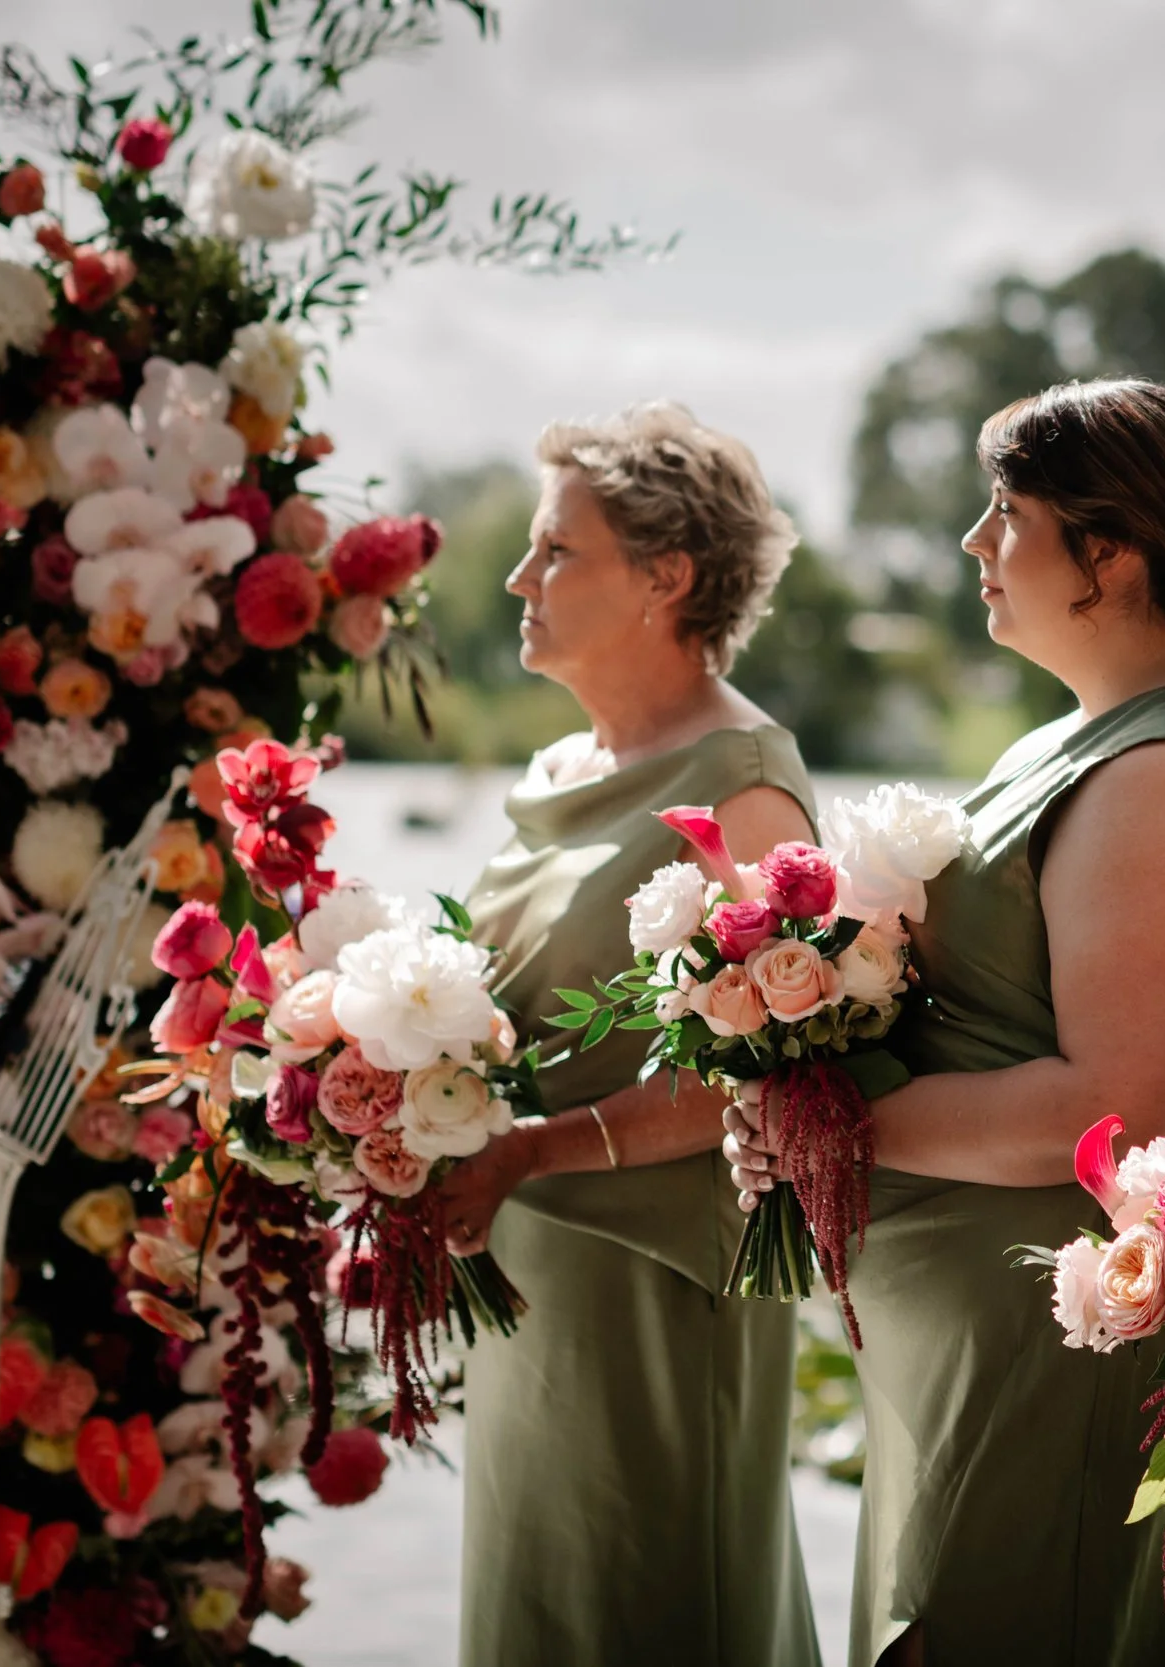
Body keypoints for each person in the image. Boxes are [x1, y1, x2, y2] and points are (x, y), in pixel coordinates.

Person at [728, 378, 1165, 1666]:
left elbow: (1100, 1108)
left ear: (1105, 553)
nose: (972, 542)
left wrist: (828, 1126)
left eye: (1006, 512)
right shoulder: (1083, 738)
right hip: (979, 1352)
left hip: (1057, 1367)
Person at [437, 404, 821, 1667]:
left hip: (656, 1291)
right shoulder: (553, 770)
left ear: (668, 576)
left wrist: (536, 1149)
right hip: (522, 1270)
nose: (517, 577)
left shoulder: (745, 786)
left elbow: (762, 1075)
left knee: (651, 1613)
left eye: (557, 550)